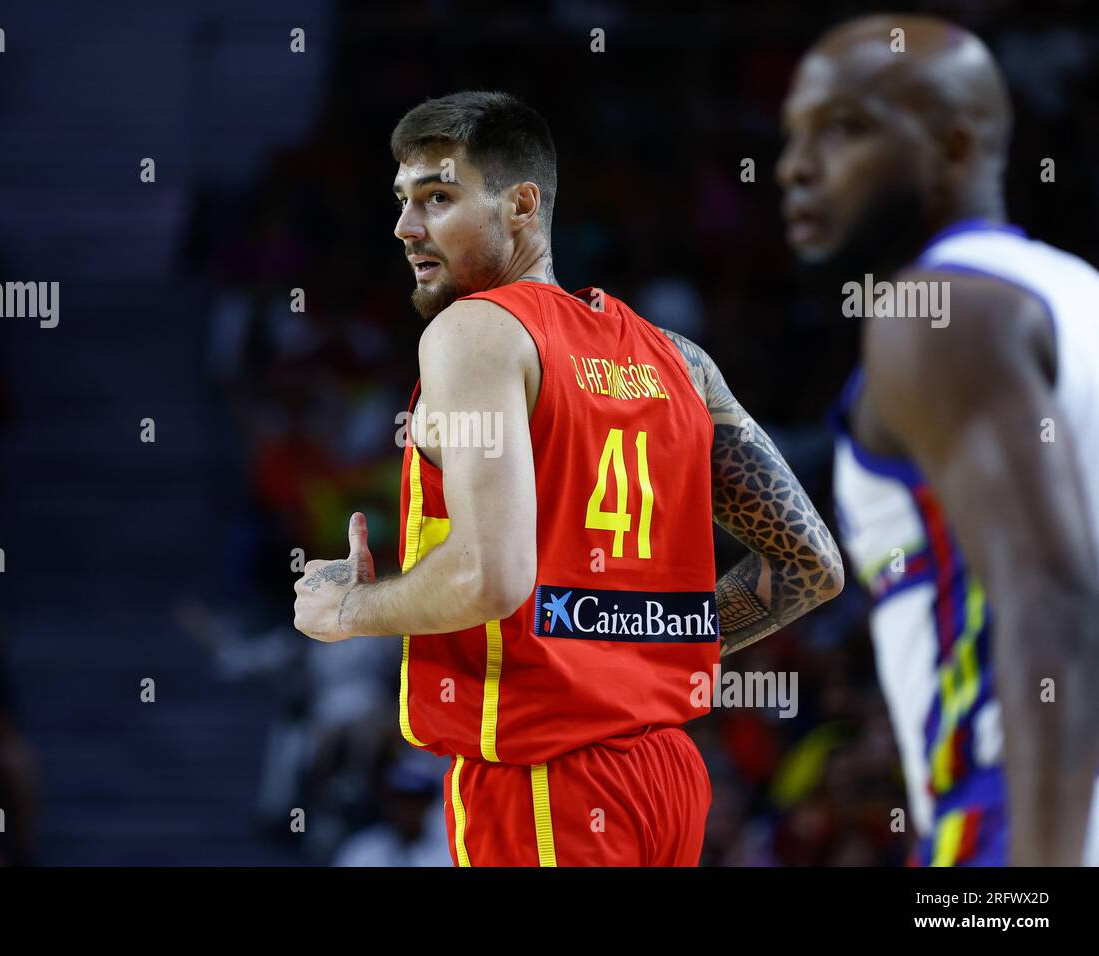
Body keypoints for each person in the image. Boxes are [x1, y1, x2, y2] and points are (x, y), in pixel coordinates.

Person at [295, 90, 843, 866]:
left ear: (521, 205)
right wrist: (636, 657)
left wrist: (349, 610)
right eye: (403, 202)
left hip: (544, 781)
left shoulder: (476, 330)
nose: (406, 228)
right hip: (668, 778)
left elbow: (491, 576)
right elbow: (811, 565)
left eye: (439, 198)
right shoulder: (680, 361)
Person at [778, 14, 1099, 865]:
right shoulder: (1076, 295)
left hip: (1013, 824)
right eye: (792, 136)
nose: (795, 167)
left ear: (955, 148)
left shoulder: (936, 314)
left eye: (843, 130)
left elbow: (1053, 602)